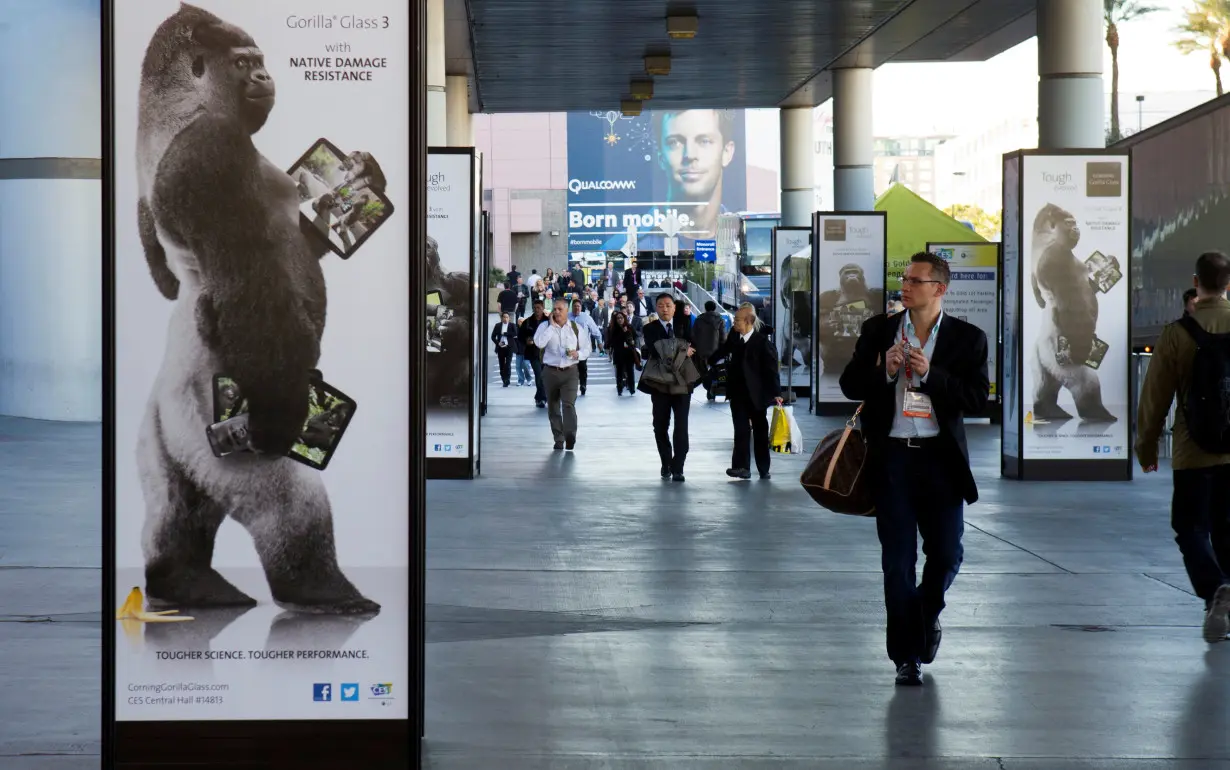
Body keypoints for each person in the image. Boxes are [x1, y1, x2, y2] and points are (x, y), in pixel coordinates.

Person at [838, 251, 989, 687]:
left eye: (915, 280)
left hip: (941, 462)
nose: (904, 286)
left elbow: (977, 399)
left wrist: (933, 375)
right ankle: (906, 655)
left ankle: (924, 618)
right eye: (903, 279)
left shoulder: (967, 339)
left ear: (939, 289)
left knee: (946, 554)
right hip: (893, 460)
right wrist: (883, 371)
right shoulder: (879, 331)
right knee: (897, 561)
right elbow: (850, 385)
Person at [1136, 251, 1230, 644]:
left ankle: (1214, 591)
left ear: (1196, 282)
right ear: (1228, 283)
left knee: (1190, 528)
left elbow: (1155, 398)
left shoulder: (1178, 333)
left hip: (1192, 452)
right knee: (1227, 529)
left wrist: (1146, 446)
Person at [712, 303, 782, 480]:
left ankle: (763, 468)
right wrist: (707, 359)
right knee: (741, 430)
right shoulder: (735, 337)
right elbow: (723, 351)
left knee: (760, 430)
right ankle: (741, 467)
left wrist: (777, 393)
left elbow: (771, 370)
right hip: (737, 392)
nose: (734, 322)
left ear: (749, 321)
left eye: (737, 320)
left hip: (757, 394)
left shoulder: (762, 342)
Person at [639, 293, 698, 481]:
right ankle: (666, 462)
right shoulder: (649, 329)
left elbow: (695, 347)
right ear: (656, 308)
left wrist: (677, 349)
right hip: (660, 384)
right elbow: (658, 351)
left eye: (668, 305)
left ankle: (678, 466)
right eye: (661, 305)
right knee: (660, 425)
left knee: (681, 426)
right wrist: (682, 350)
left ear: (674, 308)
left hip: (682, 384)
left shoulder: (685, 326)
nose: (665, 309)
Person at [534, 298, 590, 450]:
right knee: (553, 407)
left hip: (570, 371)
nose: (556, 312)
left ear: (567, 311)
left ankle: (570, 435)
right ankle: (558, 438)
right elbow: (538, 343)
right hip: (550, 372)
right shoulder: (544, 327)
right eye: (555, 309)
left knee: (568, 405)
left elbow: (587, 349)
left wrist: (577, 353)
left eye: (560, 309)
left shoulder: (576, 328)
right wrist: (552, 327)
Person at [692, 300, 727, 400]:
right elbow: (723, 337)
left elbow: (693, 335)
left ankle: (708, 389)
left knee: (703, 372)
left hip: (701, 351)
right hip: (715, 351)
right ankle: (712, 390)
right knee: (715, 371)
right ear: (715, 308)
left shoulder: (699, 319)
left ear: (705, 308)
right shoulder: (720, 319)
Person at [570, 299, 603, 396]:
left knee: (582, 367)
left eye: (578, 306)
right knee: (571, 368)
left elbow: (595, 331)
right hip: (570, 347)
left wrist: (600, 343)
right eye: (575, 306)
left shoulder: (586, 317)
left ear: (581, 307)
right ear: (572, 307)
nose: (576, 308)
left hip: (582, 348)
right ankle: (572, 386)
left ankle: (583, 385)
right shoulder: (567, 317)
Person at [518, 301, 549, 408]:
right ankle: (542, 398)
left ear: (543, 308)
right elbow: (520, 336)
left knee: (545, 376)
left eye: (539, 308)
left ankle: (538, 396)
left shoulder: (548, 321)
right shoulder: (527, 322)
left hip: (547, 353)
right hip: (533, 353)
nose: (537, 310)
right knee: (539, 375)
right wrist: (526, 341)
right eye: (535, 308)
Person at [607, 310, 639, 396]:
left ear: (624, 318)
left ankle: (632, 388)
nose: (620, 320)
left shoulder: (629, 327)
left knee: (630, 371)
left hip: (629, 353)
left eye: (621, 318)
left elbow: (635, 337)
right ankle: (619, 389)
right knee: (619, 372)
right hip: (618, 353)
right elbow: (611, 341)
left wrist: (627, 333)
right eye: (618, 318)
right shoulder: (613, 329)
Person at [490, 312, 517, 387]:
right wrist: (497, 343)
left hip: (509, 347)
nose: (505, 319)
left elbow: (515, 333)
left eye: (507, 317)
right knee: (501, 365)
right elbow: (493, 336)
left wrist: (505, 333)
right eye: (504, 317)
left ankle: (507, 379)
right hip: (500, 348)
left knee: (508, 364)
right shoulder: (498, 325)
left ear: (509, 318)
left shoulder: (512, 325)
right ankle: (503, 379)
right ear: (501, 318)